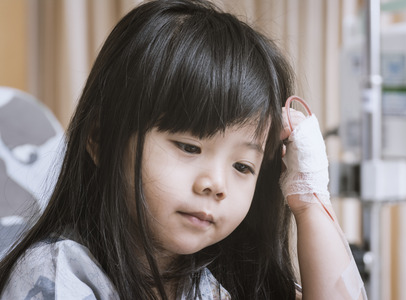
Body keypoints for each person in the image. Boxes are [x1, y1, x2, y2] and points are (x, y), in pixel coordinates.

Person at [0, 0, 366, 299]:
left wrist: (310, 197)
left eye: (242, 167)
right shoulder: (57, 273)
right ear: (100, 139)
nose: (215, 184)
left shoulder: (203, 285)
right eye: (190, 147)